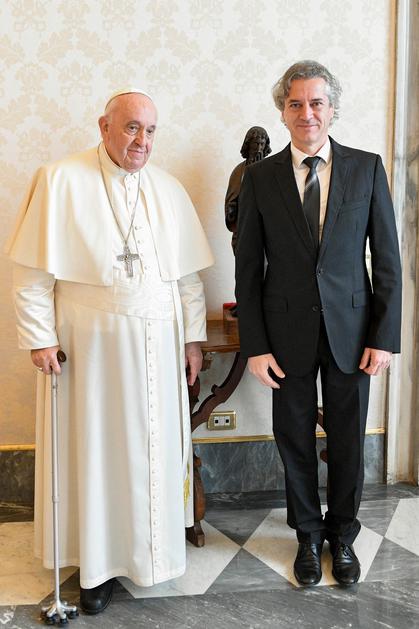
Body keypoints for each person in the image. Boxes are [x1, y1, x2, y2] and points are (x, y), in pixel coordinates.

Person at [6, 88, 213, 613]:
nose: (142, 141)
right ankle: (96, 567)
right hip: (91, 350)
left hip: (158, 348)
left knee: (154, 450)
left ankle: (153, 556)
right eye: (131, 127)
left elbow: (187, 278)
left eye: (150, 130)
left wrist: (192, 338)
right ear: (104, 126)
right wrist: (40, 337)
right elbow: (32, 275)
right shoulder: (60, 179)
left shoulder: (167, 189)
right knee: (98, 453)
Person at [235, 61, 402, 587]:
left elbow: (388, 261)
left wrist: (384, 337)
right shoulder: (260, 178)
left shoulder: (366, 168)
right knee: (294, 438)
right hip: (286, 335)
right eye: (295, 104)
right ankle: (307, 534)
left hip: (353, 334)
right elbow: (248, 268)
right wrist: (255, 345)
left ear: (332, 109)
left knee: (349, 440)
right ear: (282, 112)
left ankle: (343, 535)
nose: (306, 113)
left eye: (316, 103)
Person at [225, 126, 271, 253]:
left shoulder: (271, 171)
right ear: (248, 144)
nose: (259, 149)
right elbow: (232, 198)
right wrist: (231, 209)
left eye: (262, 144)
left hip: (266, 233)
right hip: (243, 229)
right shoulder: (239, 171)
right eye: (256, 144)